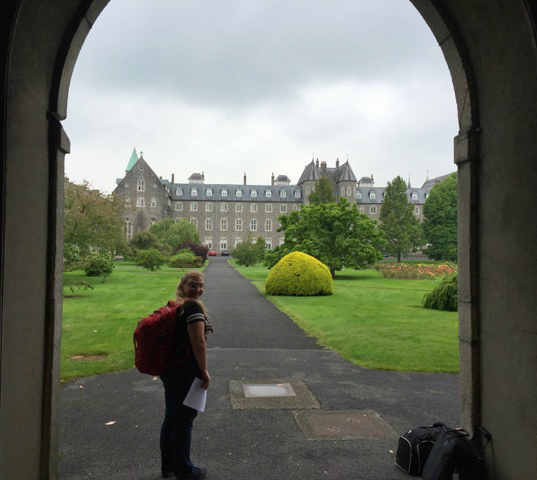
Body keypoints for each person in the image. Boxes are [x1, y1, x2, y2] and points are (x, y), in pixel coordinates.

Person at [160, 271, 212, 479]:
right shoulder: (191, 308)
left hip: (170, 368)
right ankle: (185, 470)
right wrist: (204, 372)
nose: (198, 289)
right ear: (182, 285)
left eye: (201, 286)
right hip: (184, 371)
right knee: (184, 421)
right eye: (193, 285)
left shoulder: (177, 304)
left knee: (171, 418)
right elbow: (198, 343)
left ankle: (168, 467)